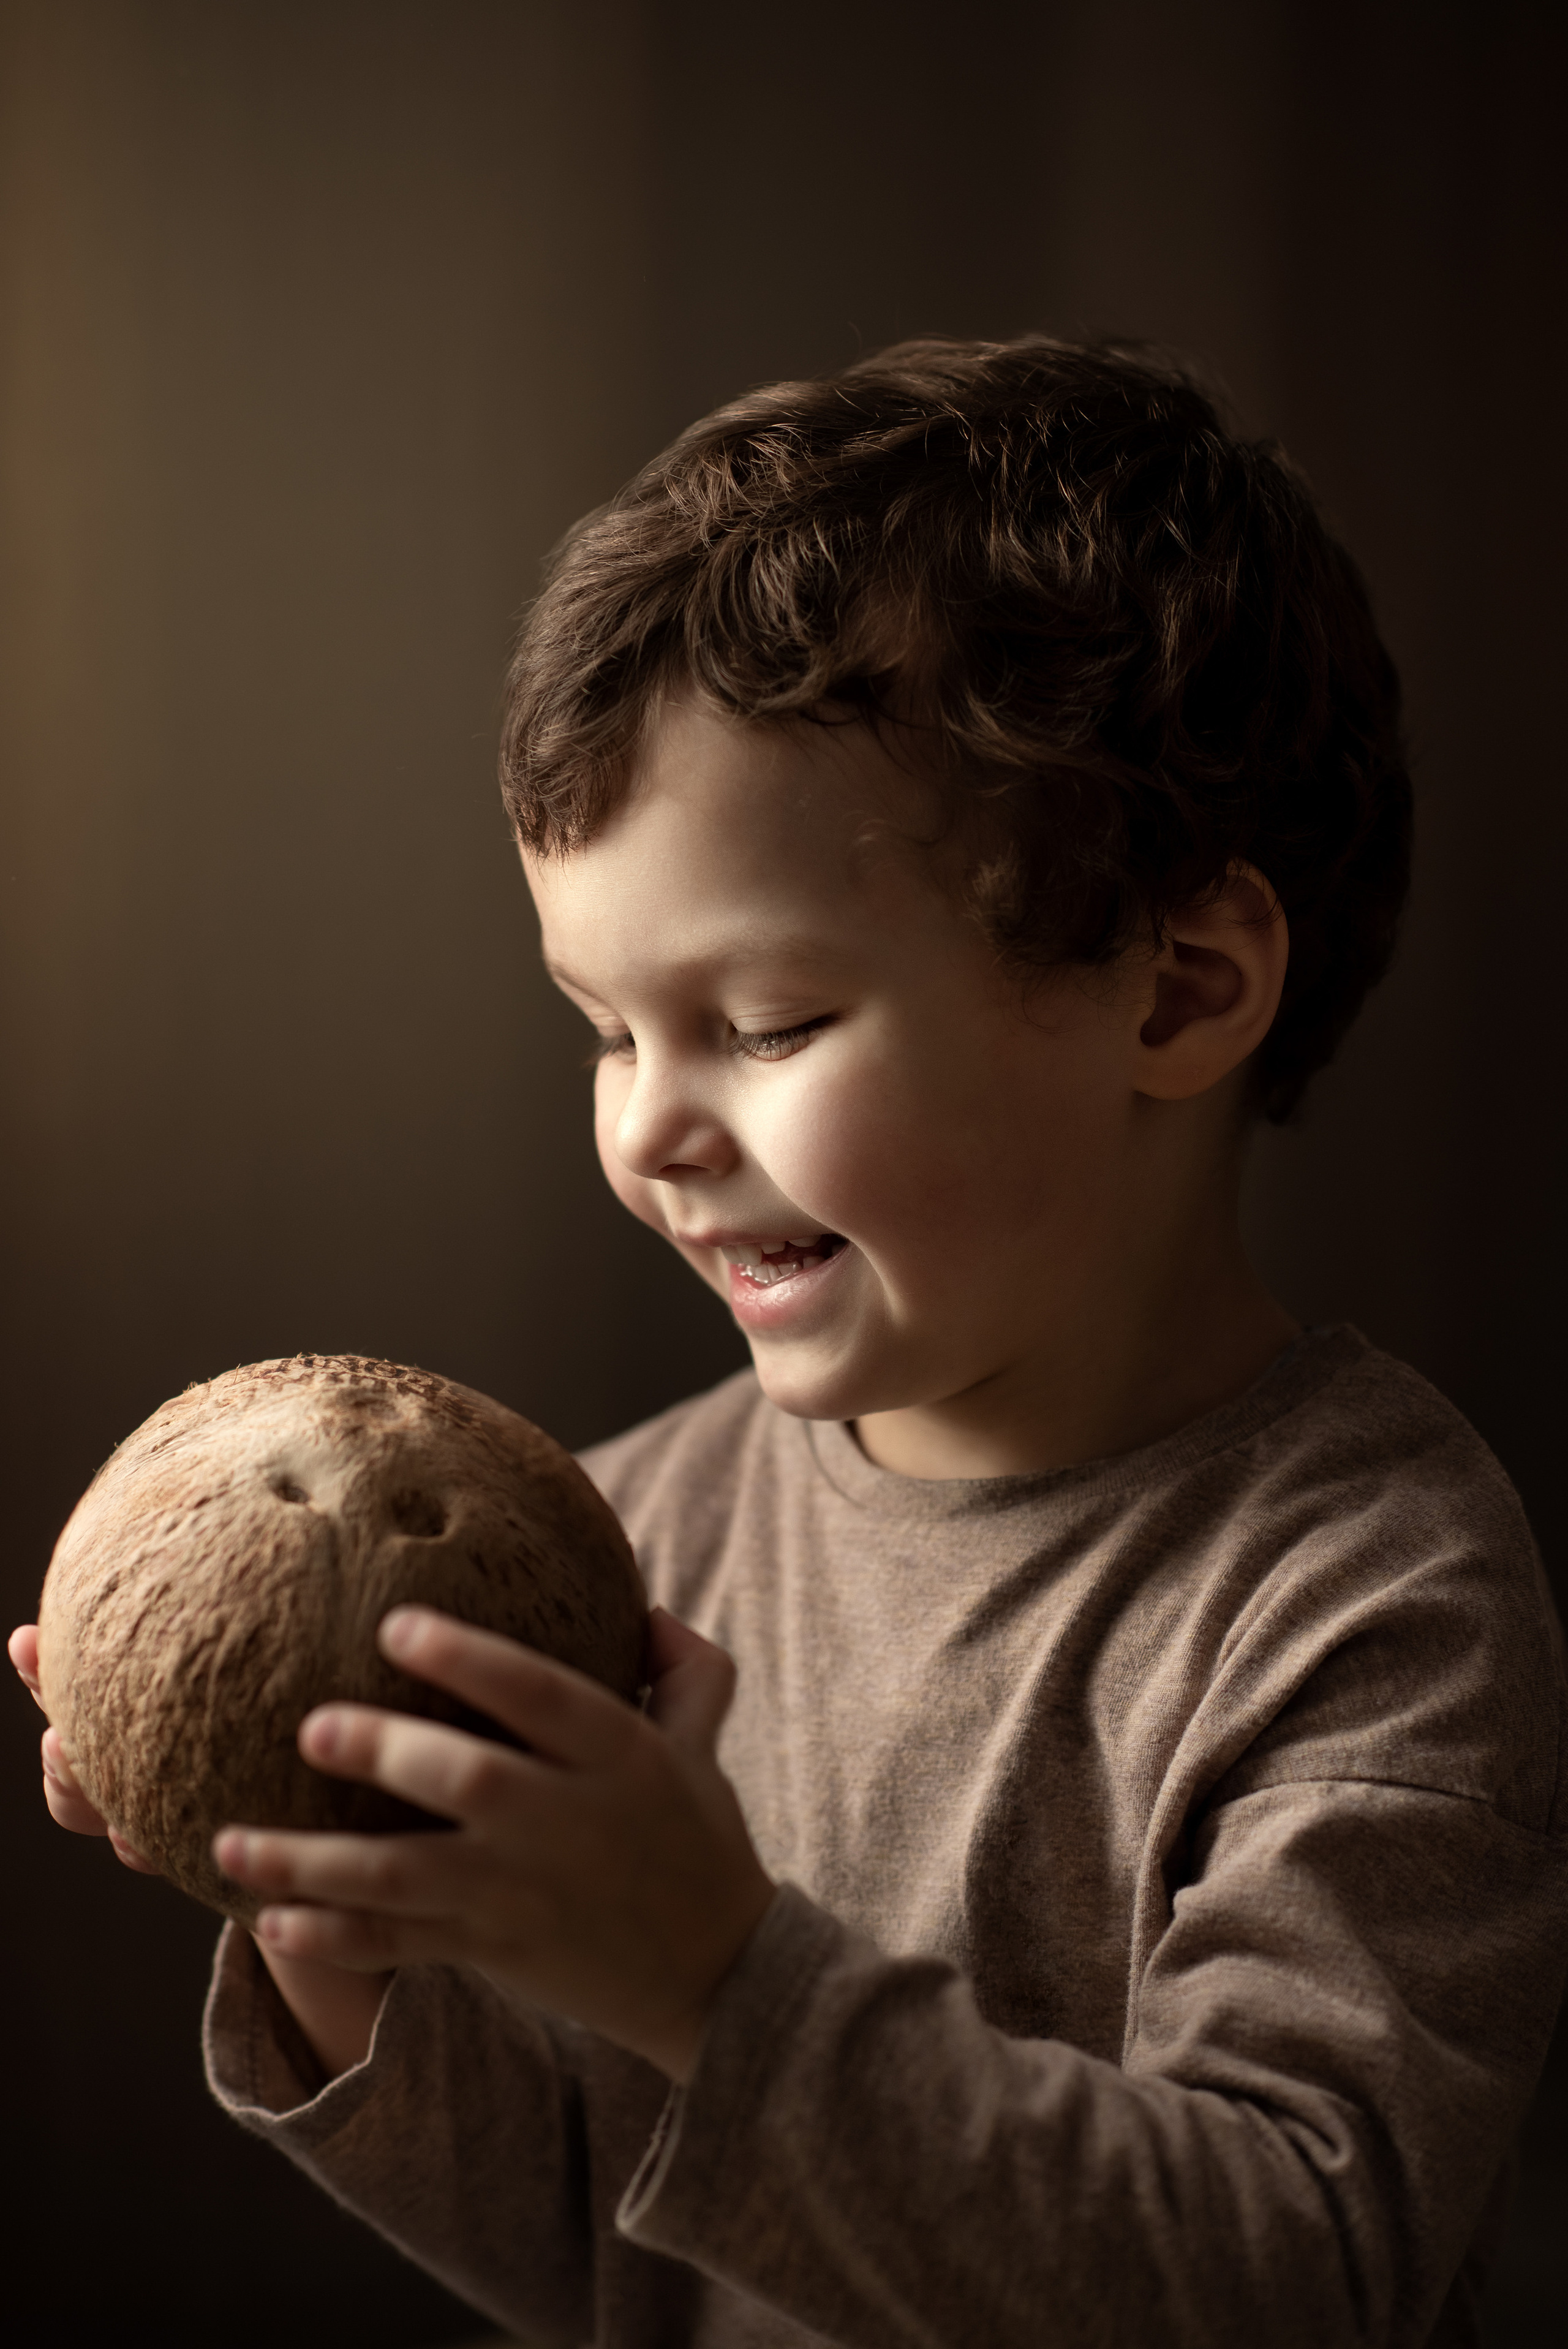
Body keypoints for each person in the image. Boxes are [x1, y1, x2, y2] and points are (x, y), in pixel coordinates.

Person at [13, 336, 1567, 2347]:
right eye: (606, 1028)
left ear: (1176, 990)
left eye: (763, 1025)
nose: (653, 1127)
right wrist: (344, 1935)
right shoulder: (624, 1534)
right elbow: (615, 2246)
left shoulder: (1371, 1593)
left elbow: (1295, 2267)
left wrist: (713, 1974)